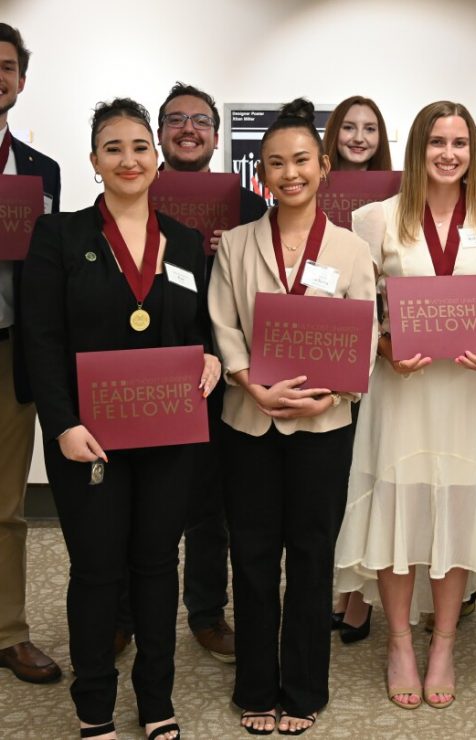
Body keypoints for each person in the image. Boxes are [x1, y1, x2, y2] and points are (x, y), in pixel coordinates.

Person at [22, 98, 220, 740]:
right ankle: (94, 708)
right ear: (94, 161)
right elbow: (41, 338)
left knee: (159, 565)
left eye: (139, 146)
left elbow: (199, 331)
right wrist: (61, 424)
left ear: (155, 158)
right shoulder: (59, 237)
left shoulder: (186, 242)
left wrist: (212, 360)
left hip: (167, 434)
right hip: (89, 437)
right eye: (114, 148)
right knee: (98, 570)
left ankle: (157, 701)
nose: (129, 159)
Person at [335, 100, 476, 711]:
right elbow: (363, 314)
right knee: (402, 504)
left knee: (458, 506)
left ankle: (442, 643)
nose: (449, 154)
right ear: (416, 149)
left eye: (461, 143)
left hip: (464, 390)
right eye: (437, 142)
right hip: (403, 389)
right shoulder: (373, 220)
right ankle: (398, 643)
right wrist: (386, 348)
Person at [208, 98, 376, 736]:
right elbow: (223, 322)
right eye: (275, 163)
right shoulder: (239, 244)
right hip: (248, 421)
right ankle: (255, 684)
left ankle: (303, 687)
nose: (289, 173)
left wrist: (331, 394)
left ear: (324, 164)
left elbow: (362, 337)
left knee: (310, 555)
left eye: (301, 160)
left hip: (322, 426)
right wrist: (251, 384)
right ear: (262, 174)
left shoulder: (352, 251)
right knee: (251, 553)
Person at [110, 83, 268, 664]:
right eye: (175, 120)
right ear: (158, 138)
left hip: (222, 370)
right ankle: (123, 616)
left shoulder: (249, 206)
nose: (188, 129)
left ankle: (206, 612)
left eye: (199, 120)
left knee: (211, 503)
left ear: (216, 134)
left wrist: (237, 249)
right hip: (144, 368)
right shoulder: (129, 191)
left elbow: (269, 285)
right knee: (135, 499)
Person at [0, 22, 62, 685]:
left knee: (6, 503)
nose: (0, 75)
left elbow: (45, 272)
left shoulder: (43, 171)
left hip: (8, 349)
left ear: (21, 78)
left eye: (8, 66)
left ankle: (9, 630)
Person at [322, 95, 391, 643]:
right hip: (322, 341)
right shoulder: (310, 188)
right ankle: (342, 587)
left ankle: (360, 599)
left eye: (370, 129)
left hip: (381, 346)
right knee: (340, 480)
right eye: (350, 127)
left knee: (368, 475)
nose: (360, 137)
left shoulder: (394, 200)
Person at [323, 96, 391, 172]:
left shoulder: (398, 183)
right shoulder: (313, 182)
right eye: (348, 128)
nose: (359, 139)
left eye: (369, 129)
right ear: (334, 132)